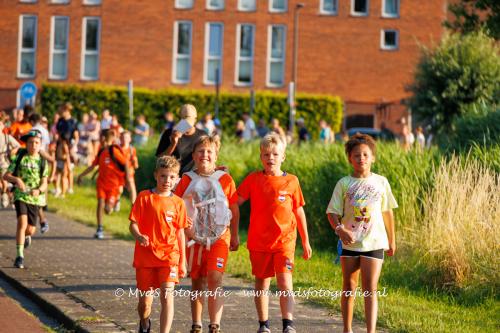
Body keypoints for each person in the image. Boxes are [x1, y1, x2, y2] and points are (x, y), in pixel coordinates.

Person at [237, 133, 312, 333]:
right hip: (259, 242)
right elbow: (235, 201)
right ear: (261, 157)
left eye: (275, 154)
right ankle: (264, 325)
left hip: (285, 241)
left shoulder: (292, 181)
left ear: (283, 157)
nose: (271, 158)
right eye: (266, 154)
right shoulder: (253, 179)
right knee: (262, 283)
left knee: (285, 281)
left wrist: (305, 241)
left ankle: (288, 324)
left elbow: (298, 210)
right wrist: (220, 180)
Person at [326, 133, 397, 333]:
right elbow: (332, 212)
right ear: (350, 159)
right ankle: (347, 329)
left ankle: (370, 331)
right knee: (349, 286)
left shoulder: (381, 182)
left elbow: (387, 212)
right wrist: (340, 230)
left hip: (374, 242)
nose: (361, 159)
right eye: (356, 155)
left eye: (365, 155)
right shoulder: (344, 184)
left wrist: (392, 240)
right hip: (350, 243)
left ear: (373, 157)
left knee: (370, 289)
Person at [175, 135, 240, 333]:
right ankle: (196, 324)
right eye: (201, 151)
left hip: (220, 236)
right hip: (194, 239)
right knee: (197, 281)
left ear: (216, 155)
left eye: (209, 152)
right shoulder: (187, 179)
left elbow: (235, 209)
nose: (205, 155)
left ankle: (215, 324)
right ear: (193, 155)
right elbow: (176, 205)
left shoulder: (225, 179)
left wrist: (235, 235)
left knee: (215, 277)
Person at [129, 155, 188, 333]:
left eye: (172, 177)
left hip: (170, 256)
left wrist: (182, 261)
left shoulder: (178, 203)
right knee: (145, 303)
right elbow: (133, 224)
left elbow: (180, 232)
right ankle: (145, 323)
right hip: (146, 257)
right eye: (163, 176)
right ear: (156, 175)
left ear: (177, 179)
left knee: (167, 296)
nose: (167, 181)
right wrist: (138, 236)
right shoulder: (144, 197)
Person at [3, 130, 48, 269]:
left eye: (36, 143)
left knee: (30, 230)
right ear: (26, 144)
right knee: (22, 224)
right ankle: (19, 256)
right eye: (30, 142)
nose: (33, 145)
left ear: (40, 145)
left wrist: (39, 190)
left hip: (35, 198)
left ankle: (26, 237)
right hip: (20, 195)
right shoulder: (20, 157)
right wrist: (16, 180)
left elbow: (45, 182)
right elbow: (6, 175)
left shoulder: (42, 161)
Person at [77, 129, 130, 239]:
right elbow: (92, 166)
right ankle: (99, 228)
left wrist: (128, 178)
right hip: (101, 183)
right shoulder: (101, 151)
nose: (99, 139)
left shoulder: (114, 150)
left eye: (100, 137)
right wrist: (81, 175)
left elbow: (125, 163)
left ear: (104, 138)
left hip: (113, 186)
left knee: (107, 209)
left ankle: (115, 201)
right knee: (100, 203)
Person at [156, 104, 206, 175]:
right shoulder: (169, 133)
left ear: (195, 120)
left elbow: (207, 157)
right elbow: (160, 159)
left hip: (195, 179)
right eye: (185, 122)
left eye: (189, 123)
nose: (187, 126)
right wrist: (173, 144)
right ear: (180, 119)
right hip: (174, 179)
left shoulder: (202, 135)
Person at [56, 102, 79, 194]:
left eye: (63, 110)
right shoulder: (60, 121)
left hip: (71, 145)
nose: (61, 112)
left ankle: (70, 187)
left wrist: (73, 147)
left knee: (69, 168)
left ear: (67, 110)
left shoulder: (73, 121)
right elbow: (58, 134)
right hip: (61, 146)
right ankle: (59, 188)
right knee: (60, 168)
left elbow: (76, 136)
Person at [0, 119, 20, 208]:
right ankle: (5, 195)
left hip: (4, 162)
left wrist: (12, 151)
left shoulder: (6, 137)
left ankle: (5, 196)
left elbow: (18, 146)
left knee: (4, 180)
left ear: (2, 126)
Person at [119, 130, 139, 207]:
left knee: (132, 188)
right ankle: (116, 201)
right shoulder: (117, 148)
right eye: (123, 137)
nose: (124, 139)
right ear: (120, 138)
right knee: (119, 190)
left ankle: (133, 206)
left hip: (129, 172)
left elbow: (136, 166)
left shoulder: (132, 149)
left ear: (130, 139)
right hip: (119, 172)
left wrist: (135, 162)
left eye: (126, 137)